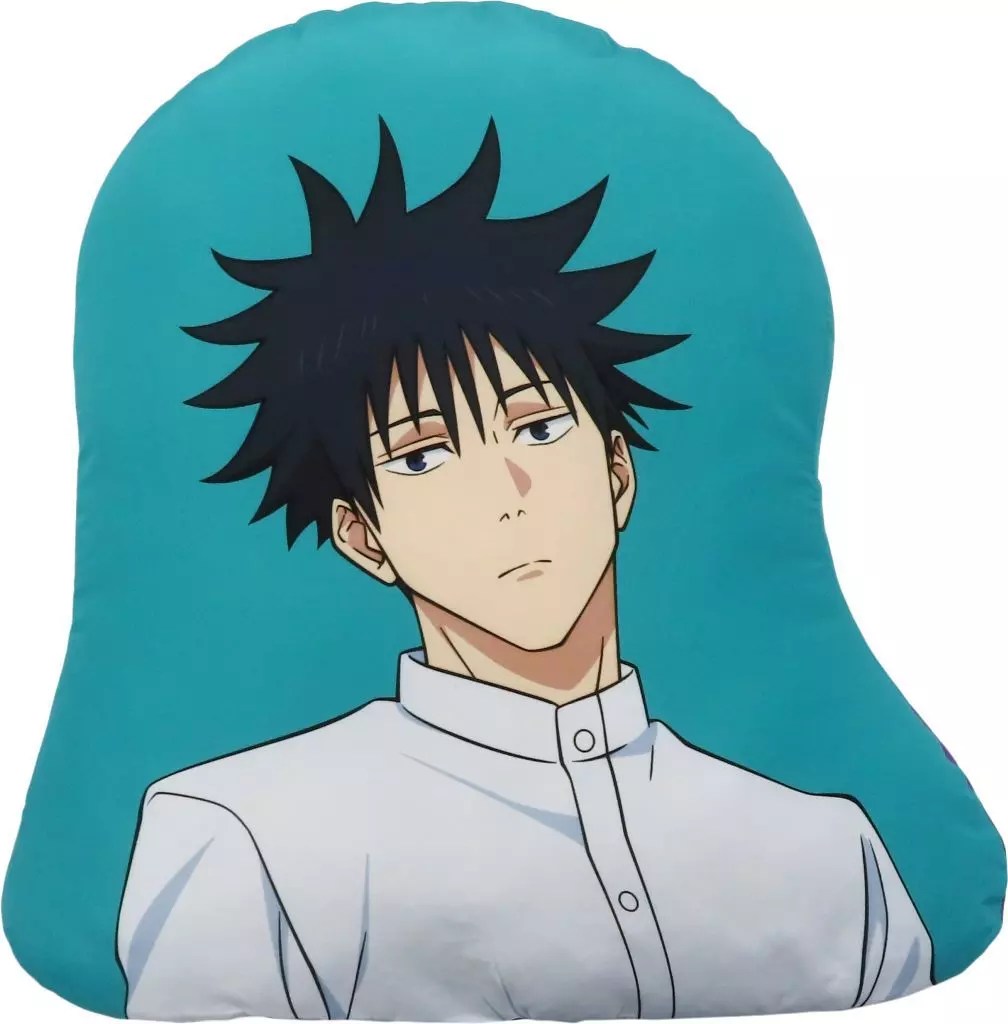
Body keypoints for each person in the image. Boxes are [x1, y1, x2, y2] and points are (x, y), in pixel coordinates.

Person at [115, 116, 934, 1020]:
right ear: (362, 536)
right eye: (423, 455)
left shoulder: (831, 855)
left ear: (616, 473)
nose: (506, 493)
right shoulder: (243, 838)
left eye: (539, 428)